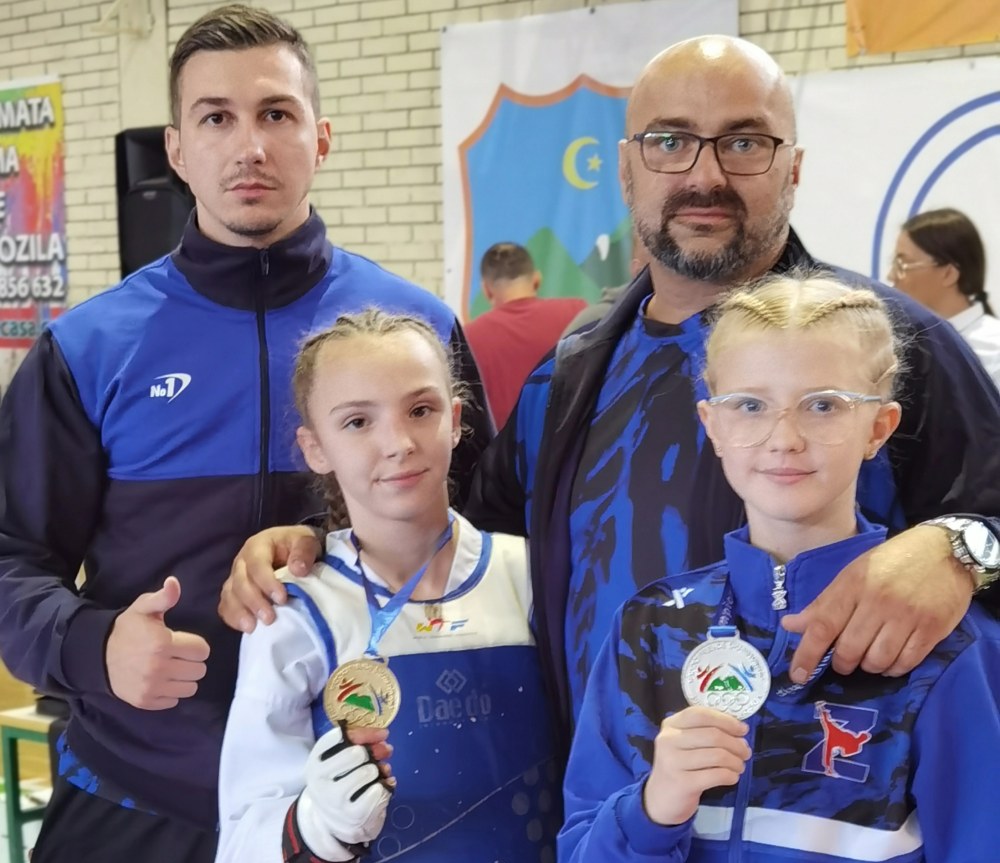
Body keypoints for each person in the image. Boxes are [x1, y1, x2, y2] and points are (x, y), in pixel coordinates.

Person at [219, 36, 1000, 769]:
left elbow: (988, 512)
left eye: (744, 142)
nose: (704, 174)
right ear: (627, 169)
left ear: (793, 167)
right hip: (604, 817)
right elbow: (461, 547)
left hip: (813, 818)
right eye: (669, 140)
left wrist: (963, 547)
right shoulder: (568, 375)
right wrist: (325, 551)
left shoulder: (894, 348)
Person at [0, 6, 490, 863]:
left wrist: (326, 543)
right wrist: (93, 645)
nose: (249, 146)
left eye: (276, 114)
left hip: (370, 798)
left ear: (321, 138)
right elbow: (10, 558)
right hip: (141, 807)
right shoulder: (89, 348)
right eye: (217, 118)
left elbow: (481, 538)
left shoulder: (414, 331)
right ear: (178, 150)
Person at [557, 273, 1000, 863]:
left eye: (823, 405)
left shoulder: (939, 641)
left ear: (879, 427)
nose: (784, 438)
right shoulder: (649, 628)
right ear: (711, 423)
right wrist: (654, 808)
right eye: (750, 405)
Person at [215, 308, 564, 863]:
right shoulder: (297, 610)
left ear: (456, 421)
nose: (398, 443)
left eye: (420, 410)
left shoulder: (531, 575)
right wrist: (318, 831)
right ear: (315, 448)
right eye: (357, 421)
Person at [465, 242, 586, 426]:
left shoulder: (469, 337)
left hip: (506, 443)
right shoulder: (578, 313)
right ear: (537, 280)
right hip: (573, 439)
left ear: (486, 290)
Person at [889, 207, 1000, 384]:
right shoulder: (899, 345)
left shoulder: (993, 351)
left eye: (903, 265)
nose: (891, 276)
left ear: (949, 274)